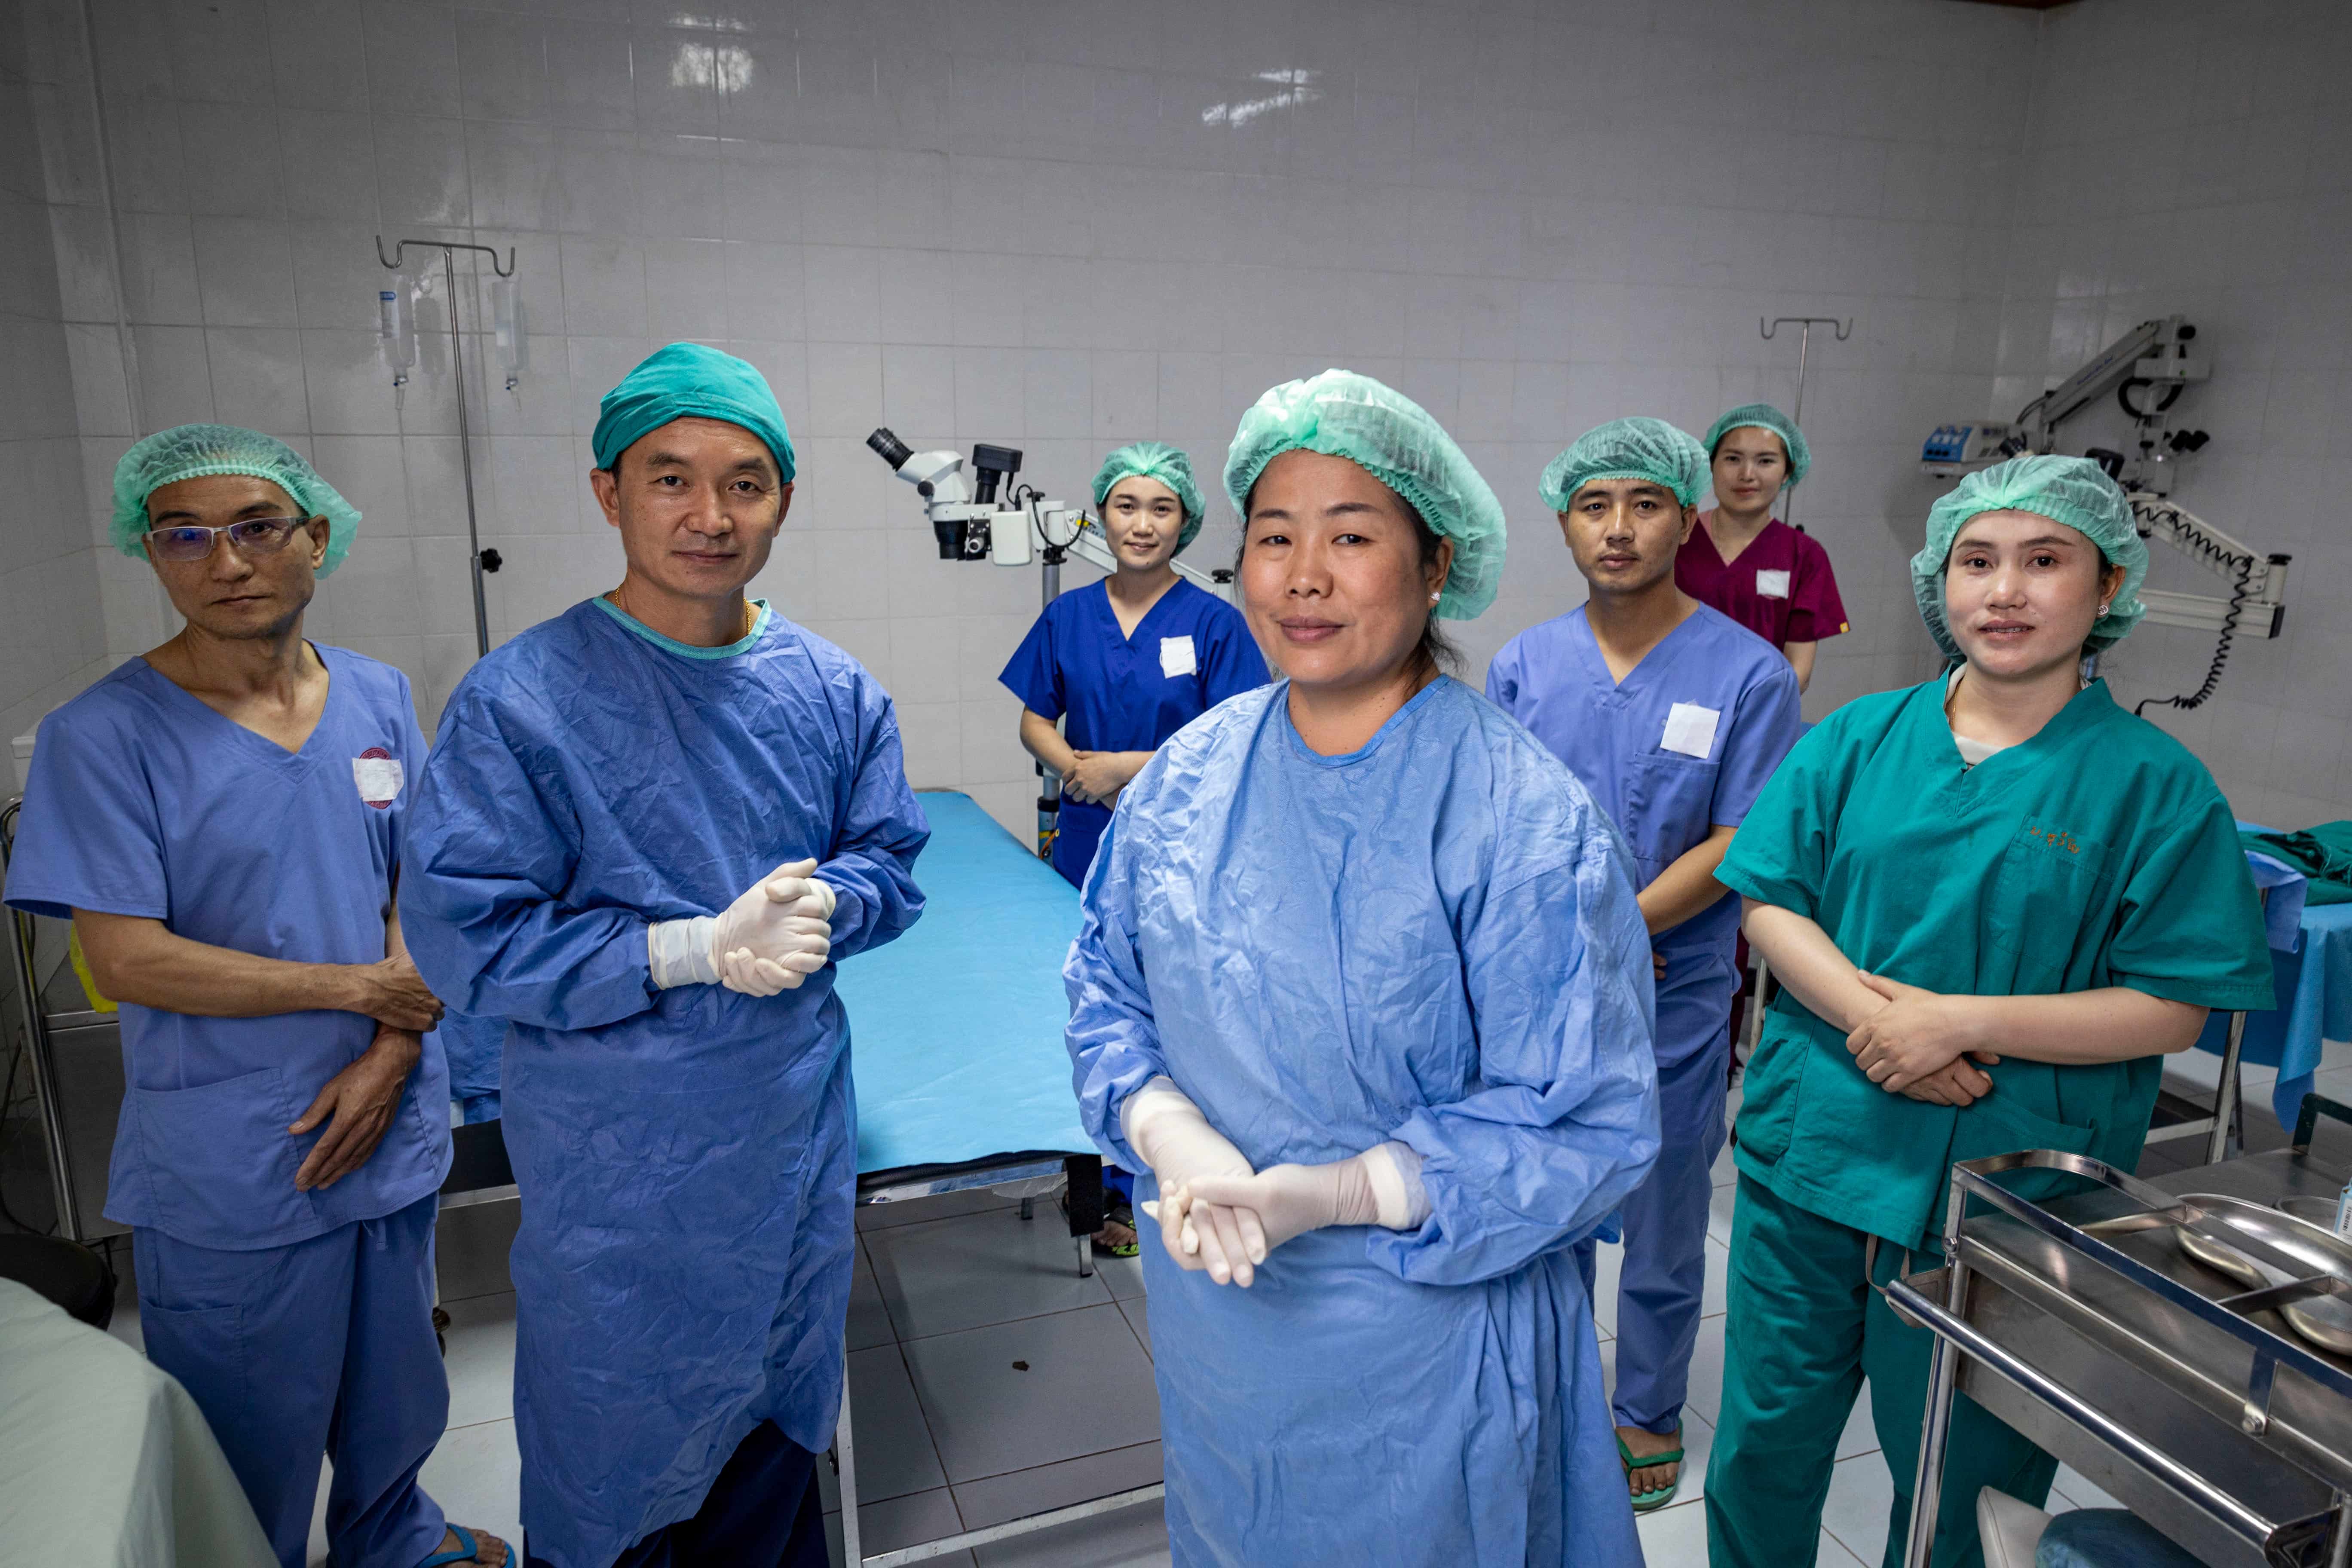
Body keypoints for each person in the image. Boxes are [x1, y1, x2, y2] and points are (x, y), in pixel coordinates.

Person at [1065, 369, 1661, 1567]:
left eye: (1351, 537)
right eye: (1274, 538)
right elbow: (1104, 991)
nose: (1304, 577)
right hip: (1222, 1318)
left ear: (1437, 567)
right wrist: (1175, 1134)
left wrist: (1335, 1193)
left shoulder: (1518, 817)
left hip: (1426, 1341)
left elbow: (1583, 1125)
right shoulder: (1190, 777)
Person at [399, 344, 929, 1568]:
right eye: (671, 479)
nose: (710, 515)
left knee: (779, 1440)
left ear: (784, 499)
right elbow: (468, 941)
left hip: (790, 1144)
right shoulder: (522, 701)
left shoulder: (832, 691)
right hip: (622, 1175)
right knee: (622, 1463)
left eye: (746, 483)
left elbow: (891, 861)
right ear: (609, 493)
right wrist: (689, 949)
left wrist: (826, 908)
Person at [1702, 455, 2275, 1568]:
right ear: (1941, 581)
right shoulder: (1860, 738)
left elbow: (2171, 1007)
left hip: (2004, 1198)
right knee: (1763, 1453)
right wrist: (1889, 1029)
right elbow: (1771, 900)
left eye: (2045, 560)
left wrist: (1965, 1022)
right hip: (1813, 1161)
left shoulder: (2153, 785)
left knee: (1968, 1483)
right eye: (1977, 561)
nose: (2004, 591)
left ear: (2108, 587)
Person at [1, 425, 505, 1568]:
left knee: (397, 1387)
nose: (222, 561)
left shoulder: (376, 697)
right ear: (154, 556)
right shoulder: (106, 737)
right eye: (183, 536)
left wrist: (387, 1053)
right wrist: (360, 990)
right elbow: (125, 960)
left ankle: (396, 1543)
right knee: (247, 1431)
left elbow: (420, 887)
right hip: (237, 1151)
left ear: (315, 539)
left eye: (254, 528)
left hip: (389, 1115)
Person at [1486, 417, 1803, 1513]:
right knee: (1547, 1203)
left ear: (1685, 516)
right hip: (1539, 995)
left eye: (1644, 504)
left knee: (1667, 1214)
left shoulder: (1746, 674)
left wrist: (1614, 923)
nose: (1616, 528)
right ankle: (1560, 1393)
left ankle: (1645, 1410)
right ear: (1563, 521)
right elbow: (1494, 824)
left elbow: (1740, 839)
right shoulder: (1522, 667)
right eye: (1592, 505)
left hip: (1673, 995)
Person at [1000, 441, 1268, 1256]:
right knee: (1090, 1003)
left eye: (1160, 508)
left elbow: (1236, 738)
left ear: (1184, 521)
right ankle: (1098, 1187)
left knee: (1172, 1001)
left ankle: (1175, 1166)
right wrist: (1075, 765)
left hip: (1182, 839)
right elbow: (1032, 717)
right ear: (1101, 515)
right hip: (1084, 833)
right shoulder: (1067, 616)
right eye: (1126, 505)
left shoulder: (1214, 623)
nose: (1141, 523)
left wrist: (1131, 768)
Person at [1677, 403, 1847, 692]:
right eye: (1733, 459)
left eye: (1765, 461)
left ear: (1787, 473)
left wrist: (1757, 711)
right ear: (1712, 464)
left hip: (1759, 712)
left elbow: (1799, 670)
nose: (1747, 475)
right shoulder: (1675, 540)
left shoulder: (1805, 556)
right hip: (1669, 704)